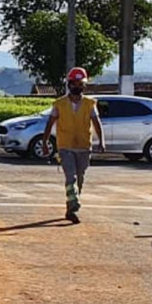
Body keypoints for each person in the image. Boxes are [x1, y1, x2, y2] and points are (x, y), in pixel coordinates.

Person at [41, 67, 105, 224]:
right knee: (71, 177)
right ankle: (74, 204)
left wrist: (101, 141)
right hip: (65, 146)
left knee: (80, 179)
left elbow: (97, 123)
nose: (77, 87)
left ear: (84, 86)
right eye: (74, 83)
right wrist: (45, 142)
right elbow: (50, 124)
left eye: (80, 84)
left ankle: (70, 209)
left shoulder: (90, 104)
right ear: (69, 85)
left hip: (84, 146)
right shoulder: (59, 104)